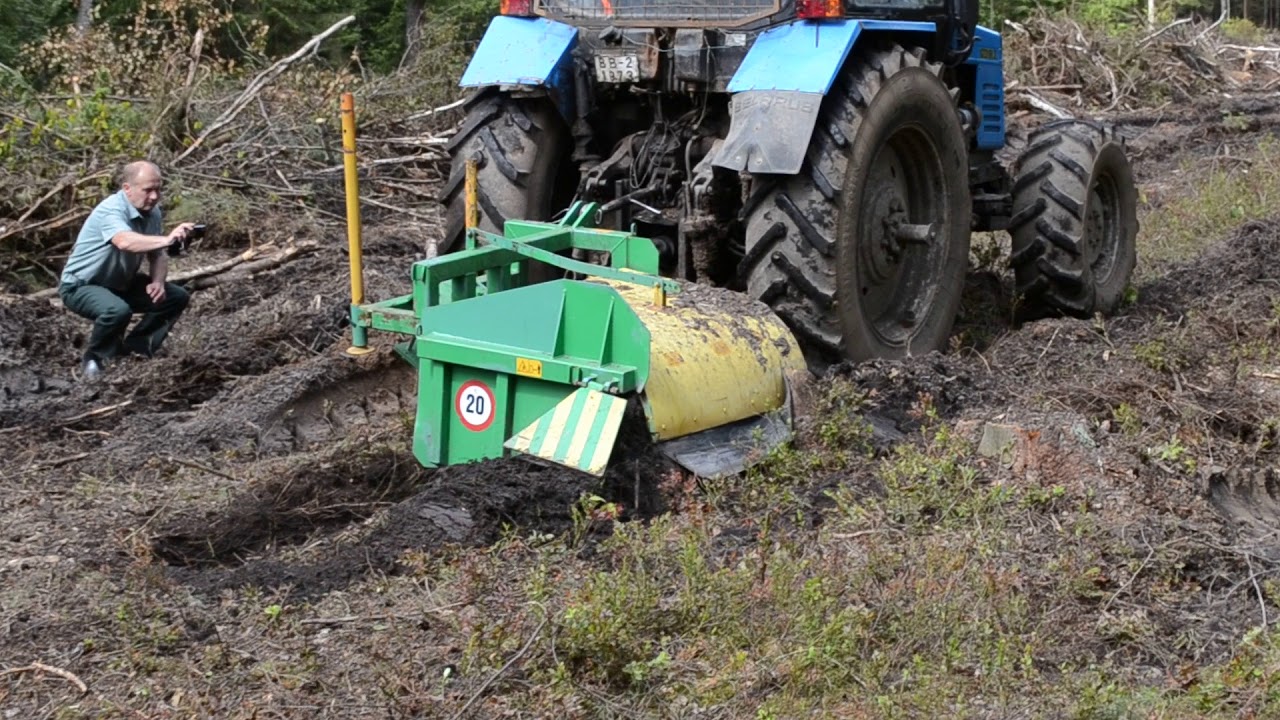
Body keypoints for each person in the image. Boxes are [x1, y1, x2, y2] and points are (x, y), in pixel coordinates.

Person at [58, 160, 195, 380]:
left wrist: (158, 281)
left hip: (120, 283)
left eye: (158, 189)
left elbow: (157, 253)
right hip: (81, 285)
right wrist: (168, 239)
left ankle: (135, 352)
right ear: (127, 189)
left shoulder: (153, 212)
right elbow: (124, 241)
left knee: (175, 297)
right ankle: (95, 362)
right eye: (148, 190)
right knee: (117, 310)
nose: (154, 196)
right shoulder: (111, 210)